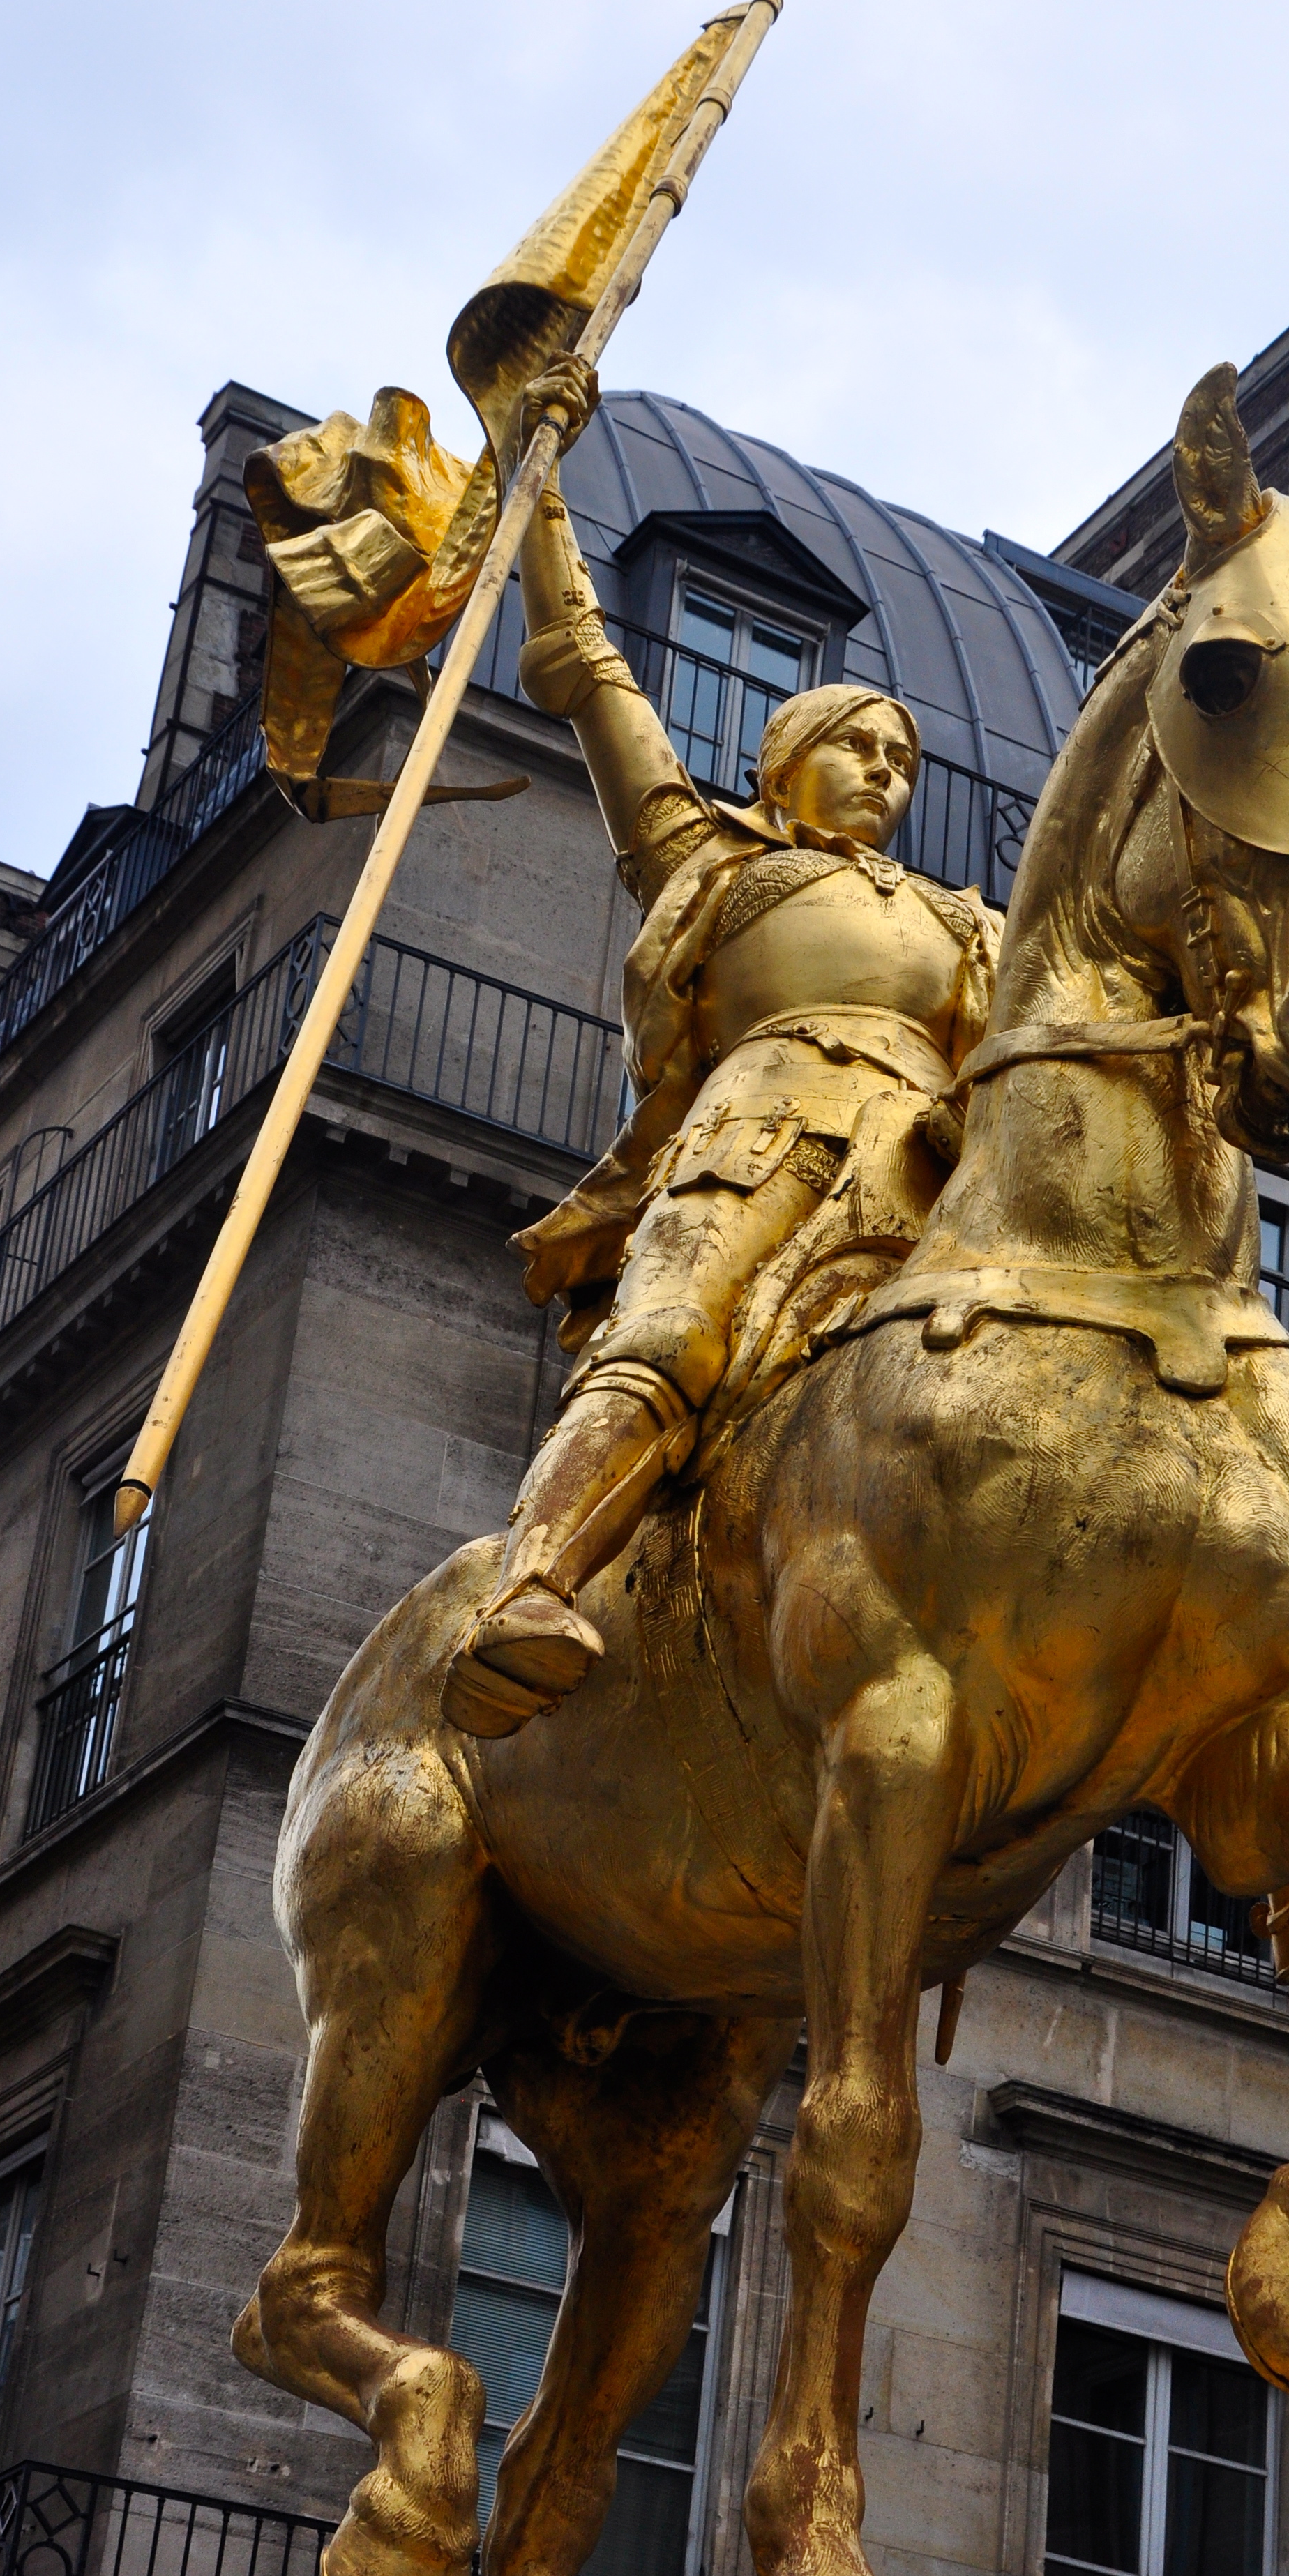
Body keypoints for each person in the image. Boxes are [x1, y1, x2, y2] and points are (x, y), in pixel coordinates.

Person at [444, 361, 1000, 1737]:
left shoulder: (958, 918)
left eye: (901, 759)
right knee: (677, 1331)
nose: (882, 769)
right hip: (760, 1132)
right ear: (780, 760)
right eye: (854, 744)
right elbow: (589, 673)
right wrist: (541, 491)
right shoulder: (712, 860)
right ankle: (535, 1576)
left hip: (930, 1169)